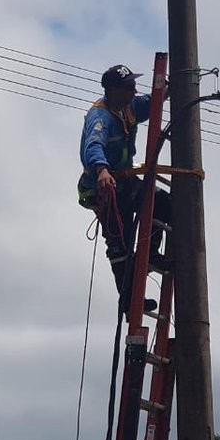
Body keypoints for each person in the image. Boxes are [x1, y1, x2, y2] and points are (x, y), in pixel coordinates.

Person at [78, 64, 171, 314]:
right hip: (104, 188)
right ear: (113, 90)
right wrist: (102, 171)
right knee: (120, 242)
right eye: (128, 86)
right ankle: (130, 301)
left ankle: (150, 252)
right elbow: (93, 146)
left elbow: (150, 103)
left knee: (163, 203)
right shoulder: (100, 117)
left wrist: (170, 89)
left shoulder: (129, 107)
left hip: (125, 182)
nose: (134, 90)